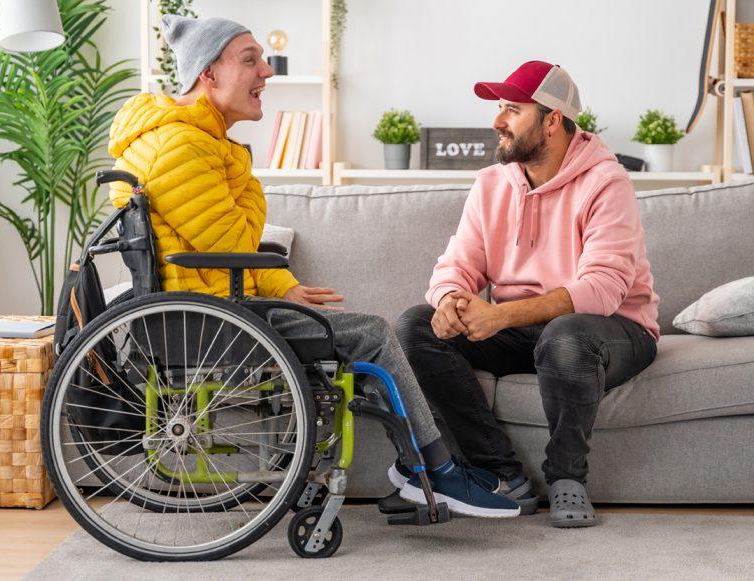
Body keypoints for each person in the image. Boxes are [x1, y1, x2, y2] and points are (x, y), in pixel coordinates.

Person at [107, 14, 519, 518]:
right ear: (207, 74)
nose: (266, 72)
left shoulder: (194, 141)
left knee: (362, 336)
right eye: (249, 59)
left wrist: (282, 287)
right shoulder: (182, 146)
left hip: (207, 309)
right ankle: (437, 470)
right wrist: (245, 180)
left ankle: (422, 466)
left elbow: (232, 244)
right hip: (207, 320)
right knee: (372, 331)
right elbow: (235, 243)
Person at [396, 61, 660, 528]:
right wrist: (450, 301)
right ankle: (501, 475)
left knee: (566, 335)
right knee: (414, 325)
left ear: (552, 119)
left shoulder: (606, 182)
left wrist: (499, 316)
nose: (497, 121)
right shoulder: (492, 183)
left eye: (512, 110)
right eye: (499, 108)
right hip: (523, 331)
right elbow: (457, 264)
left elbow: (601, 289)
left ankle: (567, 478)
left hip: (613, 332)